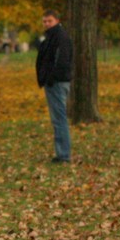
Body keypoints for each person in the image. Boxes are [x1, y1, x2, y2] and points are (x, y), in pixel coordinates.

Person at [35, 10, 73, 163]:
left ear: (57, 20)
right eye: (44, 21)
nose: (46, 24)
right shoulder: (51, 37)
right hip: (53, 83)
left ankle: (63, 155)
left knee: (59, 119)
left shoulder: (61, 37)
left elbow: (62, 62)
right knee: (57, 119)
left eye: (49, 21)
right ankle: (61, 153)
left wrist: (50, 78)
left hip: (57, 83)